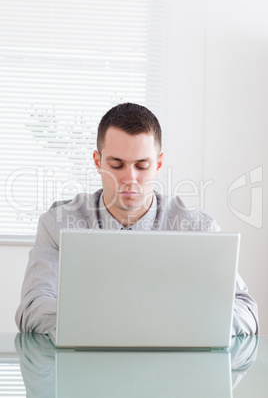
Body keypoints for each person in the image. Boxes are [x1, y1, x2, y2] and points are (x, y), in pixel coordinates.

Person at [15, 102, 259, 335]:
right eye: (117, 165)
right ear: (98, 162)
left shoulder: (197, 228)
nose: (129, 178)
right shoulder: (57, 224)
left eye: (142, 166)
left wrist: (175, 326)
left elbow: (246, 311)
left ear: (158, 164)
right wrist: (114, 327)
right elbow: (33, 307)